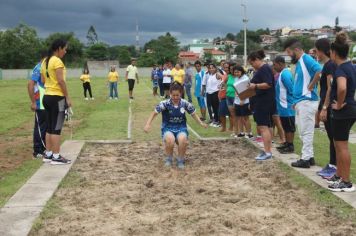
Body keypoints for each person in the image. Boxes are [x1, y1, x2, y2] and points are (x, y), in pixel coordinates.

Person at [144, 82, 208, 169]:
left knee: (183, 140)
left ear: (180, 94)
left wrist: (201, 123)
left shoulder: (184, 103)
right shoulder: (165, 103)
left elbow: (193, 114)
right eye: (173, 95)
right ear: (170, 94)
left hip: (181, 128)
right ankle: (169, 159)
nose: (175, 97)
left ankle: (180, 160)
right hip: (168, 128)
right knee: (170, 140)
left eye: (177, 95)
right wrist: (148, 124)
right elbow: (154, 113)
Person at [284, 38, 322, 168]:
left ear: (296, 50)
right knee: (303, 131)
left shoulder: (306, 59)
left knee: (306, 131)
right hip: (301, 101)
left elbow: (319, 70)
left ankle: (305, 158)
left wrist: (311, 86)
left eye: (289, 52)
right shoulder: (301, 62)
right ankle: (309, 157)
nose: (289, 55)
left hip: (307, 100)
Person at [327, 32, 356, 192]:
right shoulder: (351, 66)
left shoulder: (340, 70)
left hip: (343, 110)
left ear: (334, 52)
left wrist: (338, 104)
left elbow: (342, 87)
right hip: (350, 108)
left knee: (342, 146)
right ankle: (340, 175)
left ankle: (346, 181)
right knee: (338, 144)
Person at [40, 39, 71, 164]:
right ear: (58, 48)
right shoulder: (57, 61)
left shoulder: (44, 61)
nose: (65, 51)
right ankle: (56, 157)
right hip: (57, 98)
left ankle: (48, 154)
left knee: (49, 127)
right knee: (56, 128)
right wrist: (67, 97)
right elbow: (61, 81)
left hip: (46, 97)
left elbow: (42, 80)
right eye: (64, 48)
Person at [314, 38, 338, 178]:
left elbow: (329, 88)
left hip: (328, 106)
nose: (315, 53)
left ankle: (334, 166)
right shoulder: (327, 65)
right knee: (331, 137)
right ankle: (332, 164)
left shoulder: (330, 65)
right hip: (325, 103)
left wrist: (324, 107)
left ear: (321, 51)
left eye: (316, 50)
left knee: (333, 138)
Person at [248, 50, 275, 161]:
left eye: (252, 63)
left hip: (263, 102)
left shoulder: (264, 69)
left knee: (263, 127)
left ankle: (267, 152)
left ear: (257, 60)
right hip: (262, 101)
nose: (252, 66)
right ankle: (267, 150)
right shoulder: (264, 69)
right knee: (266, 127)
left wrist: (255, 86)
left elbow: (268, 84)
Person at [273, 56, 296, 154]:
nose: (274, 67)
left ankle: (290, 145)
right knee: (286, 126)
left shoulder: (285, 74)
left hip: (288, 107)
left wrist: (292, 102)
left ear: (280, 64)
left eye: (275, 65)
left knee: (289, 127)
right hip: (282, 107)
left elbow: (291, 90)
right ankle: (287, 143)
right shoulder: (281, 73)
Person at [27, 51, 47, 158]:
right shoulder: (38, 68)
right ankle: (38, 150)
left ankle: (44, 147)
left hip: (46, 102)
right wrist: (33, 102)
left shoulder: (44, 68)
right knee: (40, 126)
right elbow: (30, 84)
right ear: (43, 59)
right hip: (40, 102)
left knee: (45, 125)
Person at [232, 65, 253, 138]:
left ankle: (249, 133)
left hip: (245, 101)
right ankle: (241, 132)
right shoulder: (235, 79)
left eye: (238, 72)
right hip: (237, 101)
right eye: (235, 72)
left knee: (246, 118)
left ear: (241, 71)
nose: (236, 73)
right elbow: (236, 90)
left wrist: (243, 100)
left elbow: (248, 91)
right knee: (239, 117)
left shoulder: (246, 78)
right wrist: (235, 101)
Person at [217, 62, 233, 132]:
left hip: (228, 96)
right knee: (221, 113)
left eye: (228, 67)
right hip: (222, 97)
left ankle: (231, 128)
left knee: (231, 114)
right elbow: (221, 86)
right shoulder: (225, 75)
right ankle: (224, 127)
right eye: (225, 67)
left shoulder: (230, 76)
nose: (226, 69)